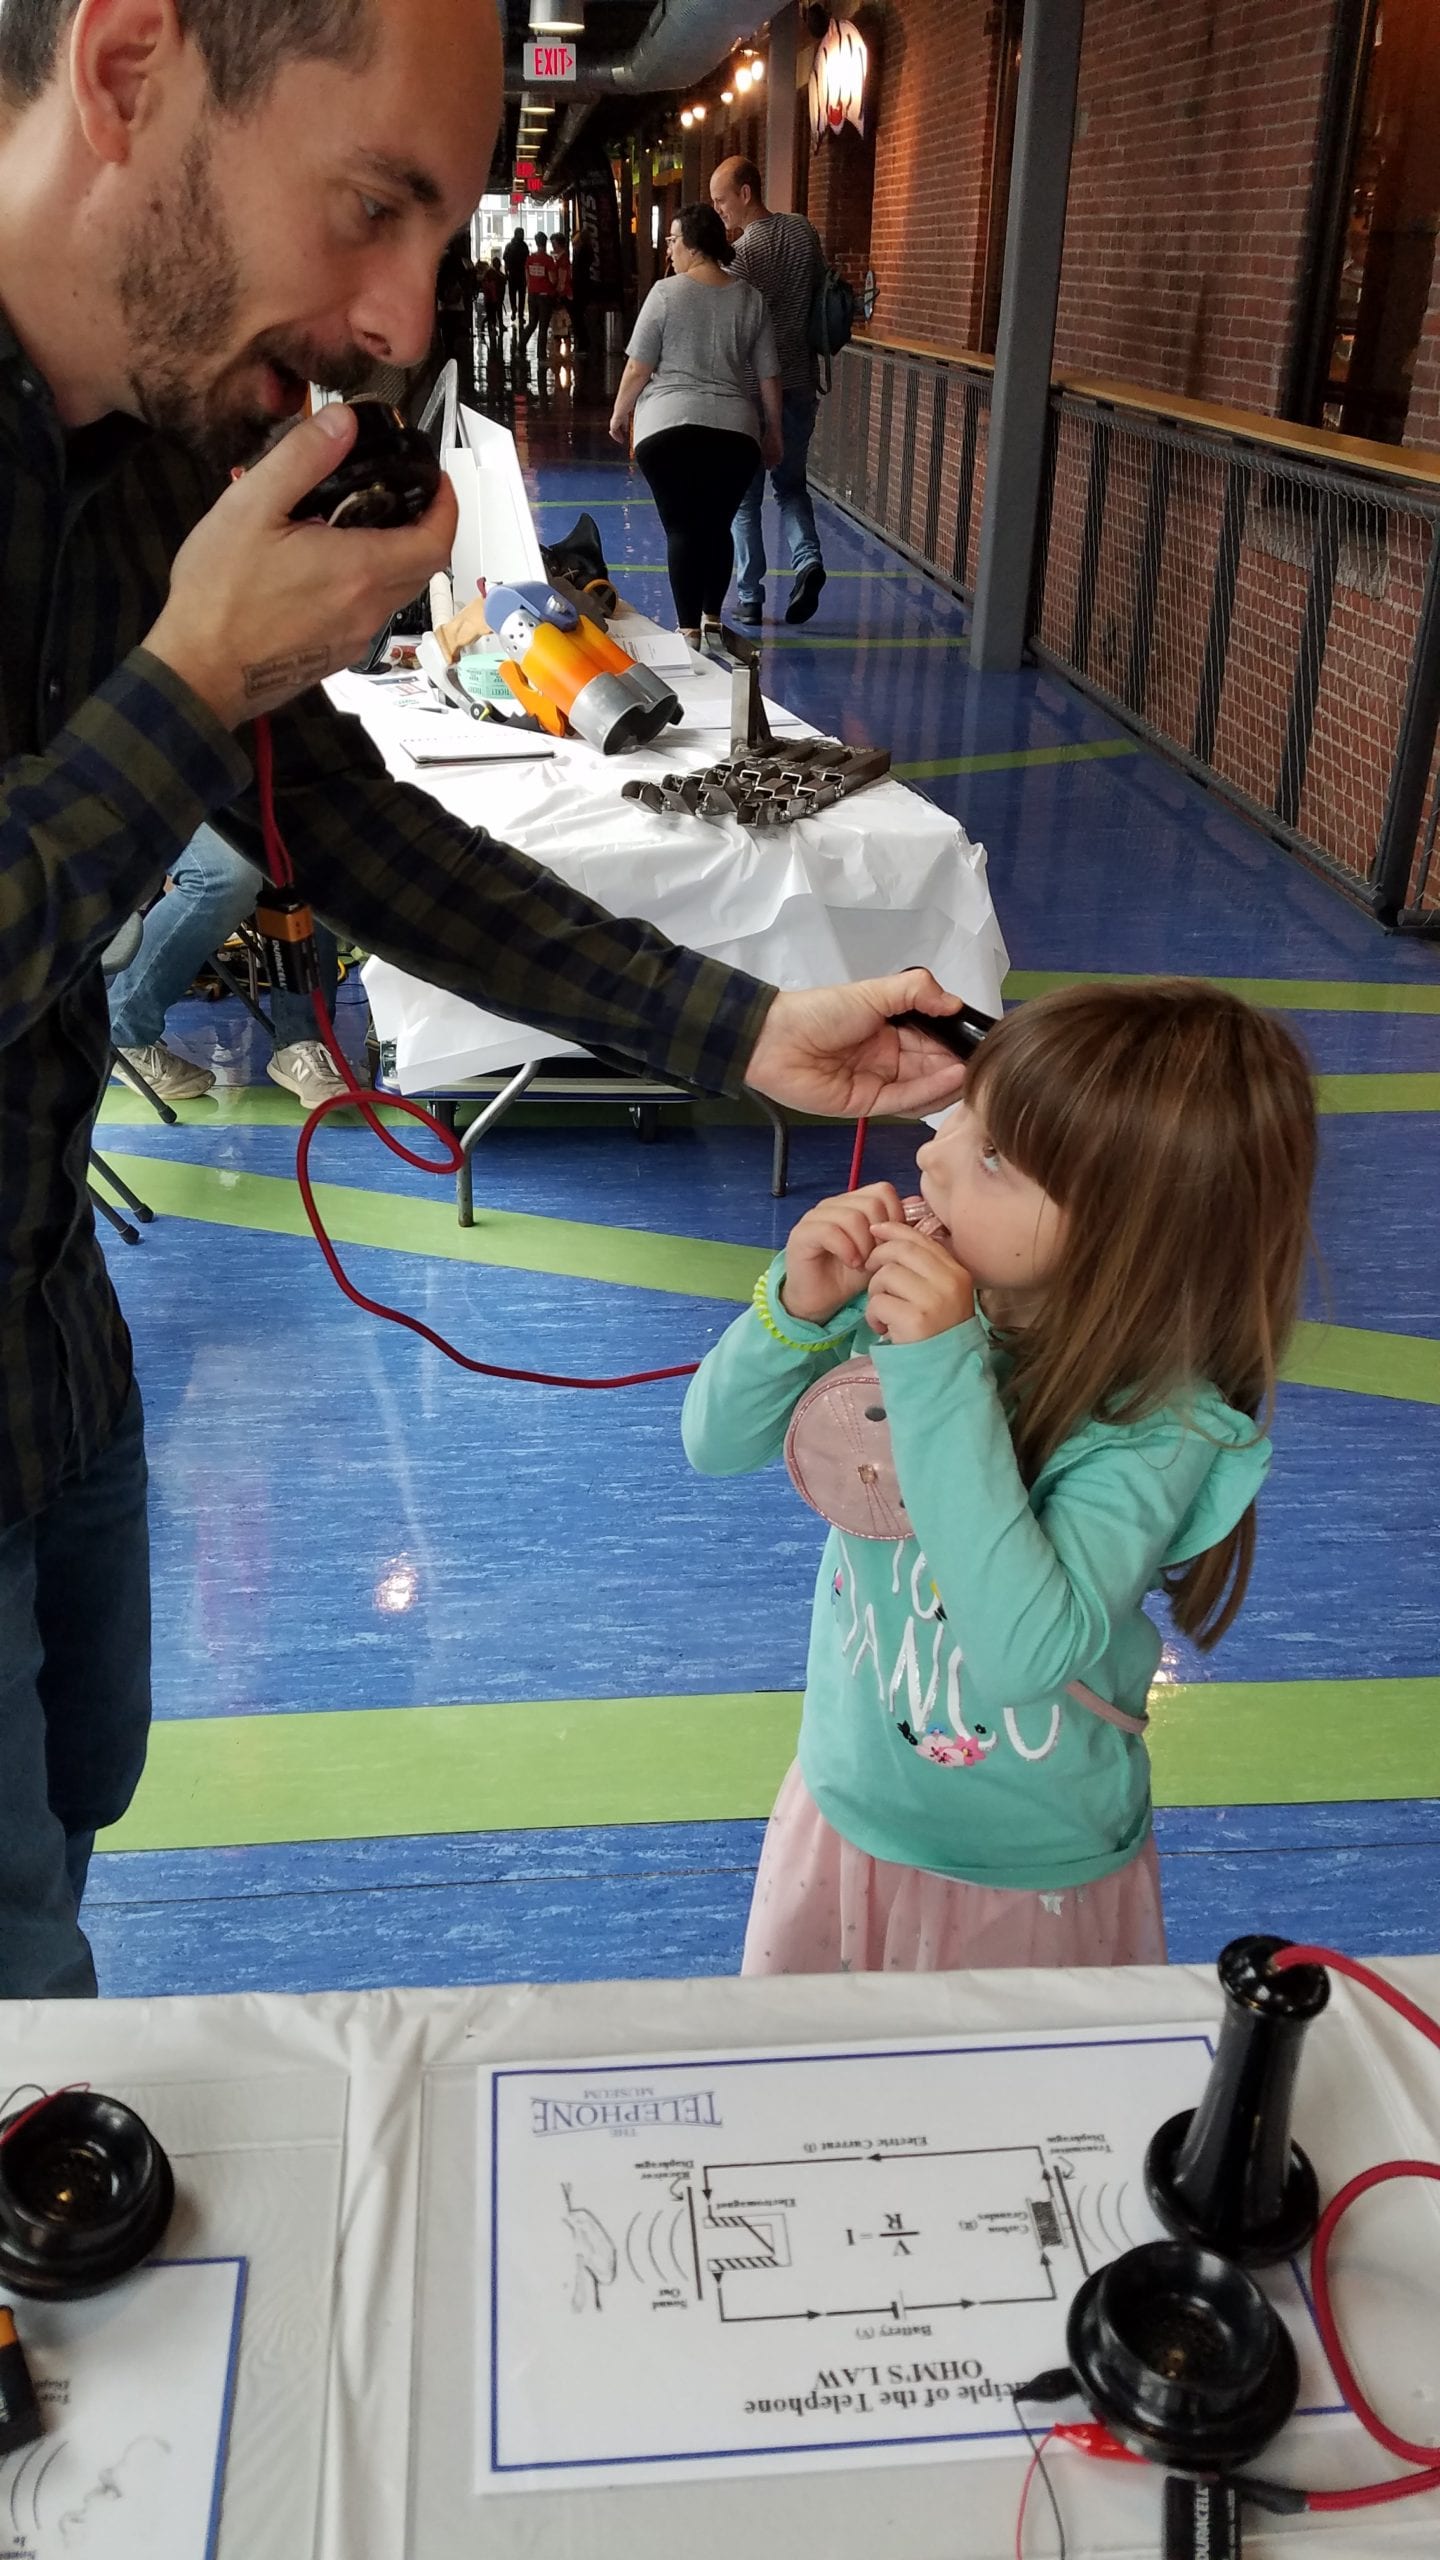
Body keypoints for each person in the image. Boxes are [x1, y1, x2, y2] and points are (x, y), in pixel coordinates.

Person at [0, 0, 969, 2000]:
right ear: (124, 71)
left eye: (430, 246)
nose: (387, 316)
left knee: (73, 1811)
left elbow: (333, 817)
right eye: (369, 207)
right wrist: (185, 678)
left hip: (52, 1350)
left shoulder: (141, 461)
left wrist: (737, 1025)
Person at [683, 980, 1319, 1976]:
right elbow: (715, 1442)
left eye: (991, 1156)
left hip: (1029, 1869)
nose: (929, 1154)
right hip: (846, 1807)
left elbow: (1025, 1654)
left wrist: (938, 1364)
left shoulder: (1159, 1425)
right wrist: (795, 1309)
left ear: (1129, 1231)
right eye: (959, 1117)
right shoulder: (914, 1305)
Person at [609, 204, 783, 646]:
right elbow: (768, 376)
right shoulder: (750, 298)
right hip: (735, 434)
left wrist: (618, 414)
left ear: (691, 245)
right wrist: (774, 432)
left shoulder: (665, 294)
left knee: (682, 527)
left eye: (672, 240)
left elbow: (637, 368)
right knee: (717, 524)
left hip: (668, 430)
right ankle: (710, 618)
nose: (669, 249)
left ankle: (687, 630)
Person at [108, 823, 349, 1109]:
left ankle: (300, 1040)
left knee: (304, 856)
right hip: (161, 795)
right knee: (226, 878)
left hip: (247, 794)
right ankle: (120, 1029)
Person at [710, 155, 827, 627]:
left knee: (744, 496)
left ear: (745, 192)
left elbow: (729, 322)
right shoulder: (803, 232)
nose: (719, 211)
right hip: (802, 381)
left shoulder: (743, 257)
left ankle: (750, 596)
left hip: (756, 390)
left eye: (722, 201)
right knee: (792, 486)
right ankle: (808, 562)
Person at [435, 228, 478, 400]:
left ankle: (447, 355)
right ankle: (452, 356)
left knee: (446, 330)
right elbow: (468, 277)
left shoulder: (441, 261)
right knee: (454, 327)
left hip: (443, 304)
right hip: (456, 303)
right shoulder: (460, 262)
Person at [523, 231, 556, 358]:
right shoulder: (548, 260)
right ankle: (541, 355)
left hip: (532, 294)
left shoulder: (530, 259)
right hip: (544, 296)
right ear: (545, 243)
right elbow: (552, 279)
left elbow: (527, 278)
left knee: (532, 323)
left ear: (536, 243)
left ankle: (521, 347)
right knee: (543, 326)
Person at [569, 227, 593, 354]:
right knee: (579, 316)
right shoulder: (588, 251)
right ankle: (584, 342)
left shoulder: (582, 253)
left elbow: (578, 270)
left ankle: (583, 343)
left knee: (577, 316)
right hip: (584, 286)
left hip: (579, 287)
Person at [502, 224, 528, 335]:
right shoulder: (524, 246)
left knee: (514, 295)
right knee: (521, 295)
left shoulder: (509, 246)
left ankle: (515, 311)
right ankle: (519, 314)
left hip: (513, 274)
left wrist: (506, 271)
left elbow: (505, 260)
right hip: (520, 274)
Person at [480, 250, 506, 354]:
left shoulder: (490, 273)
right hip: (495, 298)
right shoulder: (497, 274)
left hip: (491, 298)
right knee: (493, 313)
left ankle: (492, 326)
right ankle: (493, 327)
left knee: (492, 313)